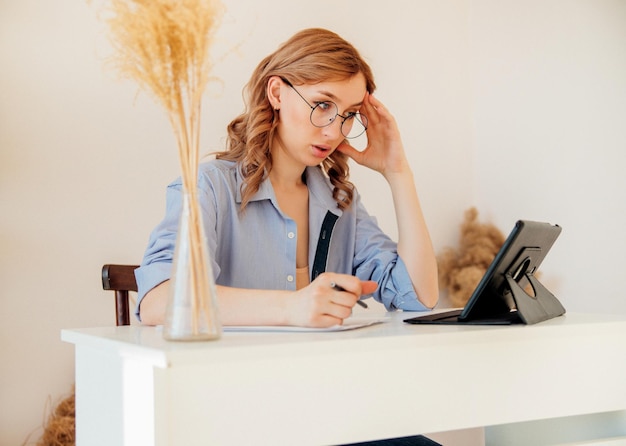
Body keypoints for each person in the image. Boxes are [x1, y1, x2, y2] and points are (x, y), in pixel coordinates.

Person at [135, 28, 439, 327]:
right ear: (277, 93)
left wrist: (398, 172)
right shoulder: (209, 188)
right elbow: (157, 301)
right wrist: (291, 307)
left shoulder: (340, 202)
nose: (334, 131)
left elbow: (419, 298)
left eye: (348, 115)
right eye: (322, 105)